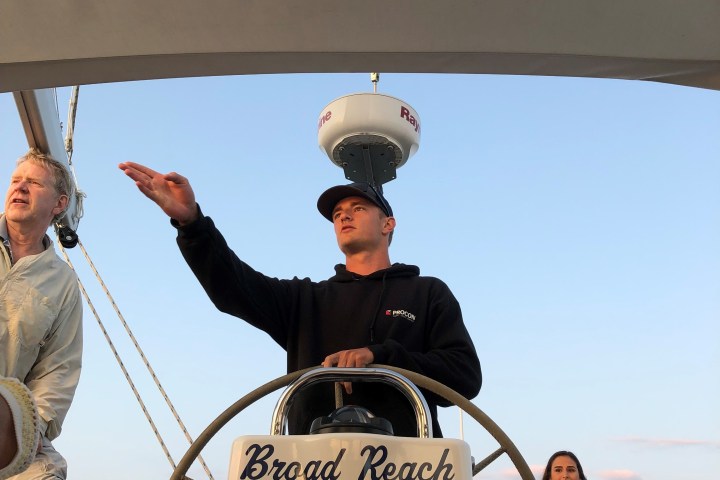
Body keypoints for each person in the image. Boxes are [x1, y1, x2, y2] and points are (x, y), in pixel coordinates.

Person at [119, 161, 481, 437]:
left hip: (410, 465)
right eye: (337, 214)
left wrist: (380, 357)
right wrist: (191, 222)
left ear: (388, 224)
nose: (343, 216)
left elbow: (464, 377)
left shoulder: (428, 292)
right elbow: (233, 287)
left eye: (357, 208)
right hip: (315, 465)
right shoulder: (305, 300)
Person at [1, 149, 83, 479]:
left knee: (47, 474)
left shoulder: (62, 282)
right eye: (15, 180)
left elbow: (59, 366)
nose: (19, 188)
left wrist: (36, 427)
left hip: (6, 422)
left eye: (33, 182)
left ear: (60, 204)